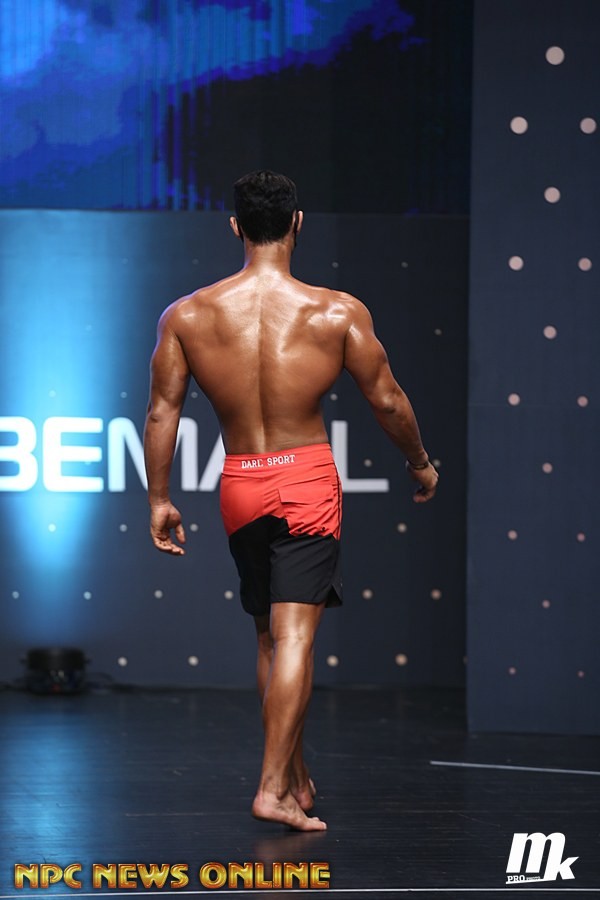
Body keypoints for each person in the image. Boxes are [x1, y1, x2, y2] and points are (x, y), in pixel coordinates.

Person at [143, 170, 438, 832]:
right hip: (305, 480)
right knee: (296, 635)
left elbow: (163, 411)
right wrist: (420, 464)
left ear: (235, 227)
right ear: (298, 223)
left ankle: (296, 776)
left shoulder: (188, 315)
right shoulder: (337, 312)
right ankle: (272, 787)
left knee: (267, 637)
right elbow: (388, 400)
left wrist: (159, 498)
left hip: (241, 482)